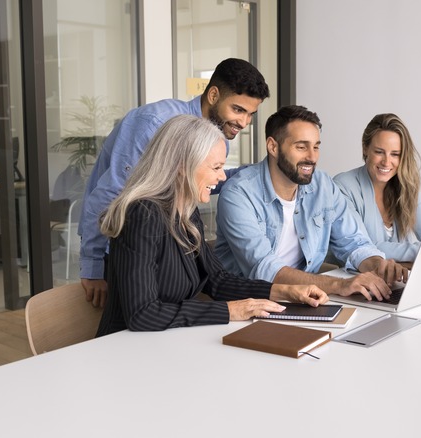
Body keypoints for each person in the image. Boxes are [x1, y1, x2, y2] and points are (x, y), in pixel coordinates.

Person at [95, 115, 327, 333]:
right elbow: (143, 314)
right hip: (125, 353)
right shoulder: (142, 215)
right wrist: (230, 310)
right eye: (216, 168)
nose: (223, 177)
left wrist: (284, 291)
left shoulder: (185, 210)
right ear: (182, 167)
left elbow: (216, 280)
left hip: (167, 344)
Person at [79, 58, 270, 308]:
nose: (244, 123)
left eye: (251, 114)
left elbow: (199, 180)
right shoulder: (154, 123)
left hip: (161, 245)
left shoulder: (218, 134)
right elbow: (111, 193)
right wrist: (92, 266)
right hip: (117, 247)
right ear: (213, 95)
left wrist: (258, 171)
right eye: (238, 110)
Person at [214, 105, 408, 302]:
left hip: (307, 301)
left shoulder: (323, 185)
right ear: (273, 146)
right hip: (249, 305)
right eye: (301, 147)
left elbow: (354, 242)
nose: (312, 157)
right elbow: (264, 269)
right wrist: (339, 285)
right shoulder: (238, 193)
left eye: (316, 146)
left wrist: (377, 266)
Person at [333, 113, 421, 262]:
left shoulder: (407, 186)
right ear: (365, 149)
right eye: (379, 152)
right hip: (355, 279)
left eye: (395, 154)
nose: (387, 162)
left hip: (398, 279)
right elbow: (364, 247)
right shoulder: (343, 186)